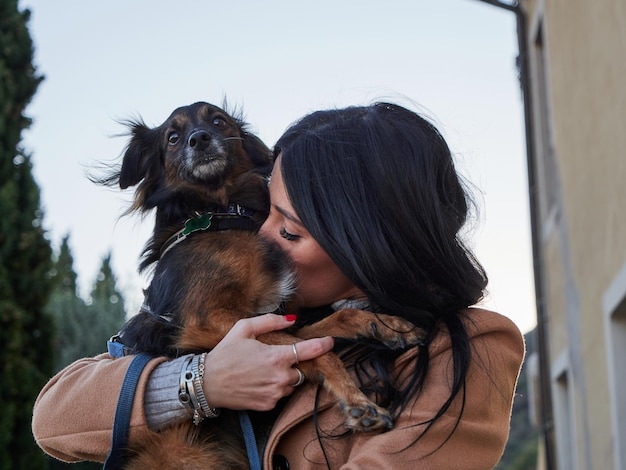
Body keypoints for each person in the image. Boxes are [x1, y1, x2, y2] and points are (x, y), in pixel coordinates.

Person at [32, 102, 525, 469]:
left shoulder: (470, 348)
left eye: (289, 230)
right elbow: (54, 415)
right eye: (263, 214)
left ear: (367, 245)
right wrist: (199, 382)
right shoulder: (260, 310)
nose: (262, 239)